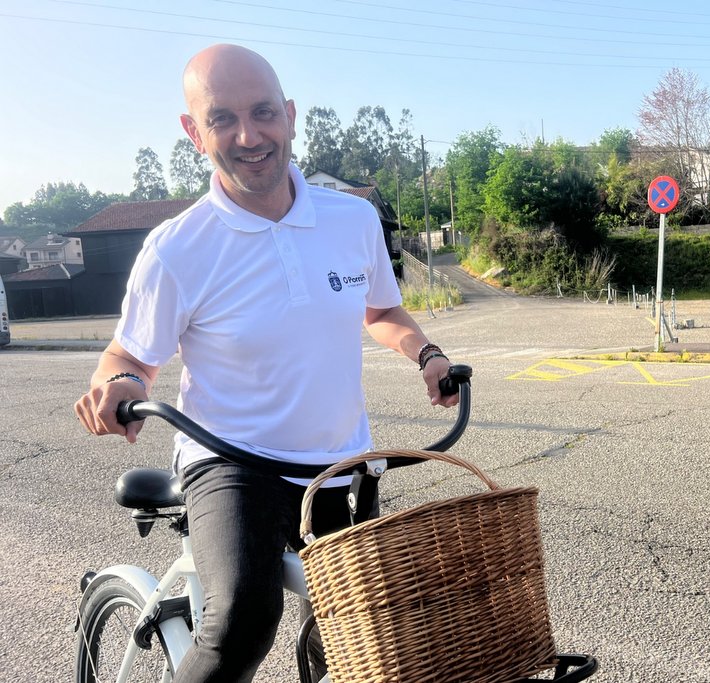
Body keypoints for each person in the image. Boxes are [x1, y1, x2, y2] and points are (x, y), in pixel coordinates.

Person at [74, 43, 456, 681]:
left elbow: (382, 311)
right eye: (222, 119)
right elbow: (129, 355)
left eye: (263, 112)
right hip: (232, 462)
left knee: (362, 635)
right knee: (244, 618)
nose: (249, 136)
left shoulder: (352, 219)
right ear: (194, 133)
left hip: (336, 465)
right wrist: (118, 383)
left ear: (291, 115)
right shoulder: (176, 249)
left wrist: (428, 354)